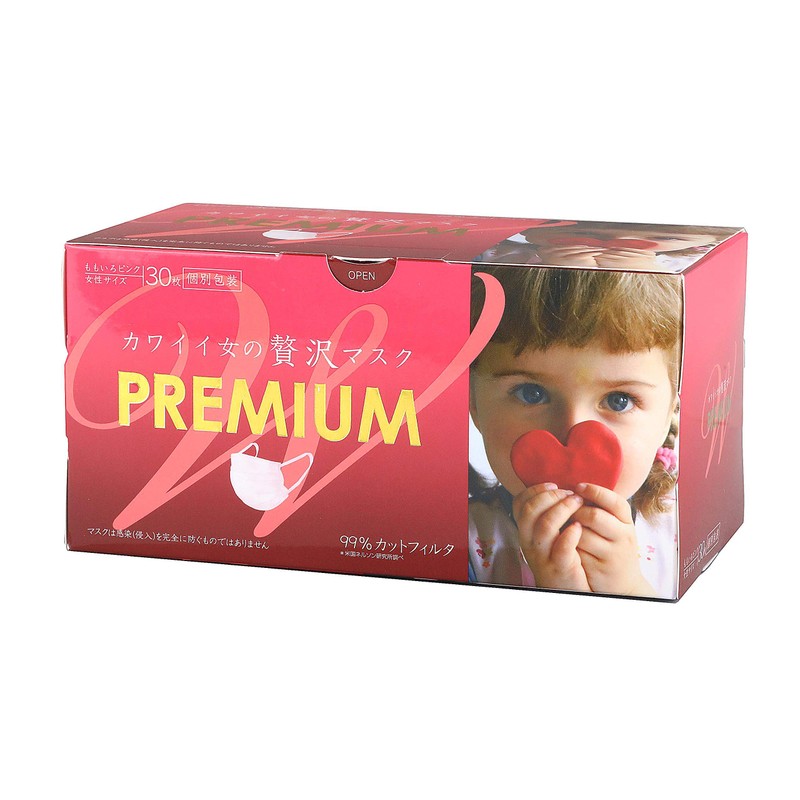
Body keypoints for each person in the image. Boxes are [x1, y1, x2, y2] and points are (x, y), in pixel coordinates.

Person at [468, 265, 681, 598]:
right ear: (474, 404)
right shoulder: (463, 542)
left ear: (670, 413)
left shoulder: (681, 529)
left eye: (619, 400)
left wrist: (626, 589)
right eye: (531, 393)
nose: (571, 431)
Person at [476, 222, 734, 272]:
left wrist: (645, 276)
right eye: (581, 233)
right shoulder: (500, 255)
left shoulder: (681, 266)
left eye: (664, 236)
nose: (615, 245)